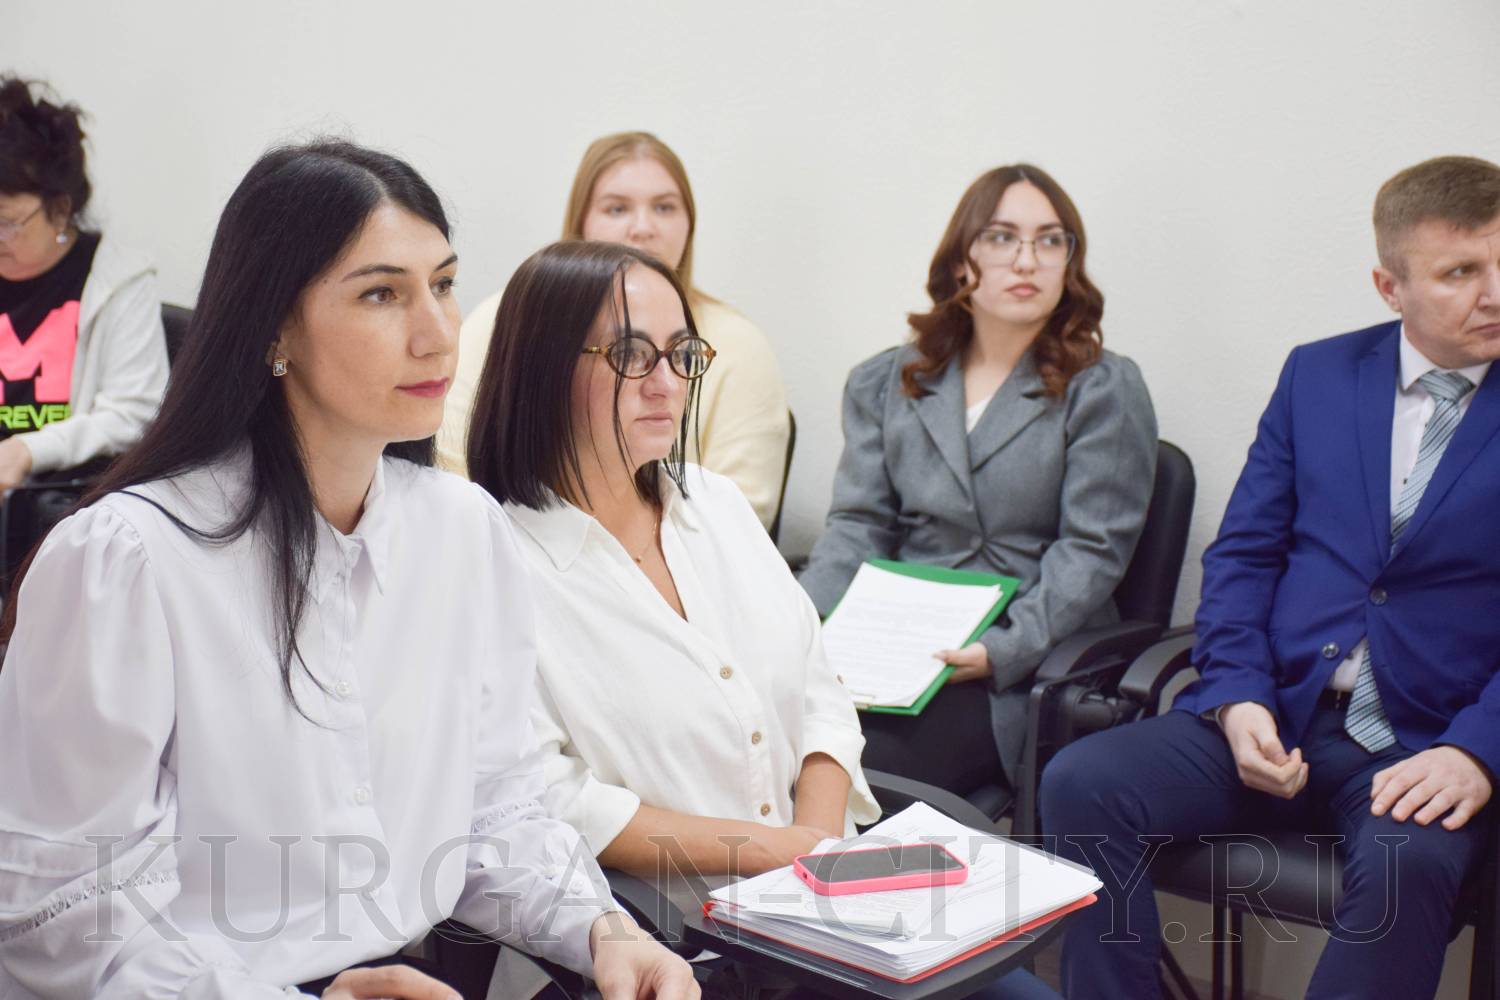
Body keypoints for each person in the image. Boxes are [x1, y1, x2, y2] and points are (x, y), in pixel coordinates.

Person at [0, 140, 695, 1000]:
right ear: (273, 327)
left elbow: (497, 809)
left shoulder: (461, 530)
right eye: (381, 294)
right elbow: (65, 922)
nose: (438, 333)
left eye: (443, 284)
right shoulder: (128, 561)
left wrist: (604, 932)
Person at [1041, 155, 1500, 999]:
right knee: (1082, 781)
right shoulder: (1317, 375)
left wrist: (1478, 751)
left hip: (1427, 741)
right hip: (1281, 710)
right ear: (1390, 287)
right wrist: (1238, 697)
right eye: (1460, 272)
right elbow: (1243, 557)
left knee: (1410, 863)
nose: (1494, 293)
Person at [799, 164, 1156, 800]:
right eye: (1002, 237)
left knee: (862, 773)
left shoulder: (1103, 387)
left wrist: (1003, 649)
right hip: (894, 642)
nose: (1027, 260)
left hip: (1012, 661)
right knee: (777, 741)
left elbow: (1092, 552)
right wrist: (803, 625)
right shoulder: (886, 381)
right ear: (962, 260)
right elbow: (858, 524)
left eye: (1050, 241)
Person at [443, 131, 790, 528]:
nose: (642, 228)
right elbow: (450, 463)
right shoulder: (502, 318)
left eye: (664, 207)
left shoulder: (737, 345)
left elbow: (739, 516)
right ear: (580, 222)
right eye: (617, 208)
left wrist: (636, 550)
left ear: (689, 225)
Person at [0, 76, 168, 560]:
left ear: (61, 209)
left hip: (50, 510)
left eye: (7, 222)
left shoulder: (117, 281)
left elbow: (135, 413)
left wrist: (29, 449)